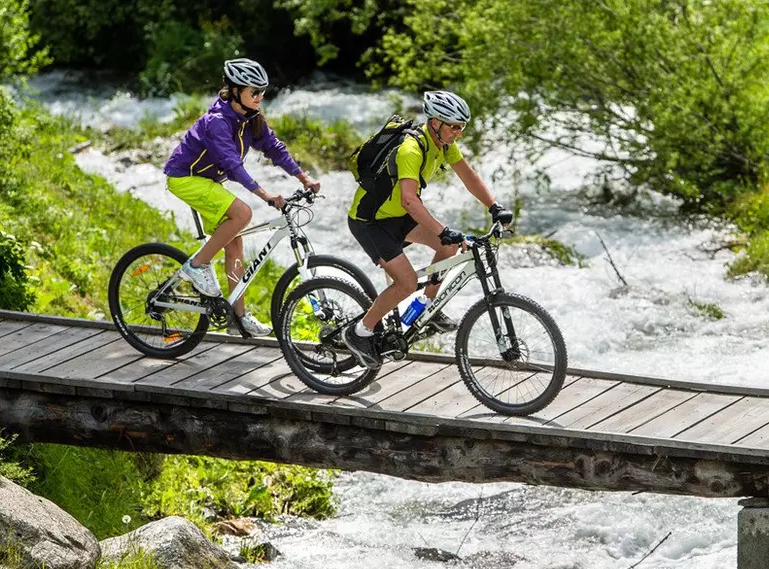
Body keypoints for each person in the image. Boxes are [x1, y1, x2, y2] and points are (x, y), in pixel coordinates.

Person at [343, 90, 512, 367]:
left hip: (397, 215)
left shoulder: (444, 144)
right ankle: (360, 331)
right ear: (435, 122)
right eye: (454, 127)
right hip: (370, 221)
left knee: (448, 246)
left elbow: (469, 176)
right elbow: (410, 199)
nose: (458, 133)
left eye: (462, 127)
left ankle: (426, 308)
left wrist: (494, 206)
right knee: (406, 282)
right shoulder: (411, 149)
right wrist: (442, 228)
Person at [163, 58, 321, 336]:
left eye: (263, 92)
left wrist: (303, 177)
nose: (260, 98)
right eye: (254, 92)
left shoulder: (250, 118)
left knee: (234, 241)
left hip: (207, 180)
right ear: (236, 91)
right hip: (185, 177)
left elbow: (274, 147)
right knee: (243, 214)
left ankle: (238, 317)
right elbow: (233, 166)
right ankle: (196, 266)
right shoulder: (218, 122)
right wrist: (265, 195)